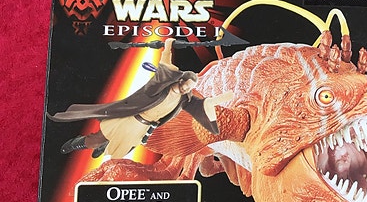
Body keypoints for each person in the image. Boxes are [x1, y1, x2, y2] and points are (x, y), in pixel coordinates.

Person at [49, 38, 233, 158]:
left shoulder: (184, 100)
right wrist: (168, 46)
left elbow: (200, 106)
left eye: (190, 87)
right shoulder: (159, 86)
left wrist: (213, 102)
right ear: (181, 80)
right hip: (129, 118)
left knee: (124, 149)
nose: (186, 88)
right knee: (98, 139)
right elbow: (165, 66)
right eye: (186, 84)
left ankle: (104, 146)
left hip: (142, 128)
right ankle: (78, 143)